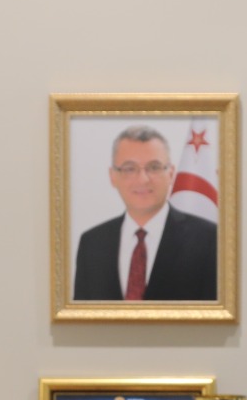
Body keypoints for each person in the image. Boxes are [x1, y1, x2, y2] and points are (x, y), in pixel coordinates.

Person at [70, 125, 220, 301]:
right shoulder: (92, 243)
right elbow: (84, 316)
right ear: (113, 176)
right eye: (129, 168)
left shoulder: (209, 239)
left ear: (171, 174)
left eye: (154, 167)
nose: (142, 179)